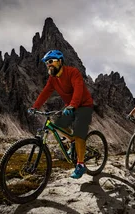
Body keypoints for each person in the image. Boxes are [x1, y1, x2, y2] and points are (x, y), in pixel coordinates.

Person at [28, 50, 93, 179]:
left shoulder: (73, 72)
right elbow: (45, 93)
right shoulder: (52, 79)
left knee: (80, 132)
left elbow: (78, 89)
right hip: (70, 105)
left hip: (84, 105)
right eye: (47, 63)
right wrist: (34, 107)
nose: (48, 65)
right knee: (58, 124)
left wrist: (73, 105)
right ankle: (72, 141)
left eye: (51, 61)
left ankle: (80, 165)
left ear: (60, 61)